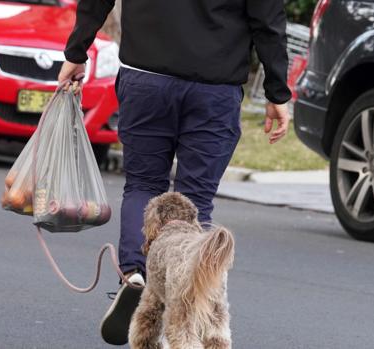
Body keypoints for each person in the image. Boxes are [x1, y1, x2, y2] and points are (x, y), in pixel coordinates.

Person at [59, 0, 291, 345]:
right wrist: (277, 91)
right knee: (195, 200)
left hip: (146, 77)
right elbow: (267, 19)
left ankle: (136, 275)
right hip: (215, 87)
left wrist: (77, 51)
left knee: (143, 186)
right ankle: (190, 308)